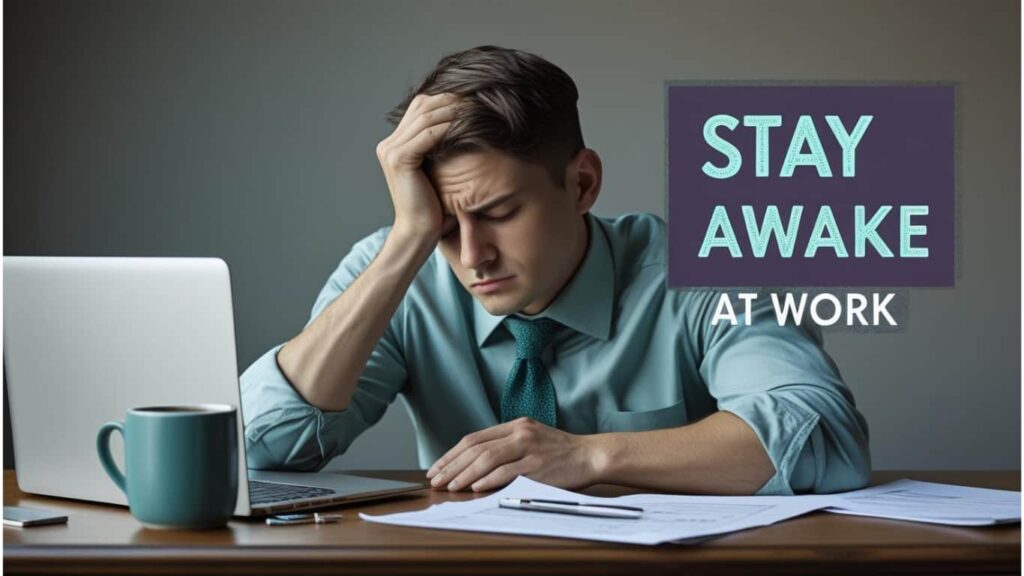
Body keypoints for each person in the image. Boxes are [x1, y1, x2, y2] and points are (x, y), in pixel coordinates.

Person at [240, 45, 871, 496]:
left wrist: (588, 454)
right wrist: (408, 240)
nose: (472, 254)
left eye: (499, 213)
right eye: (443, 224)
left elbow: (824, 439)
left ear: (583, 183)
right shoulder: (400, 267)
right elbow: (258, 448)